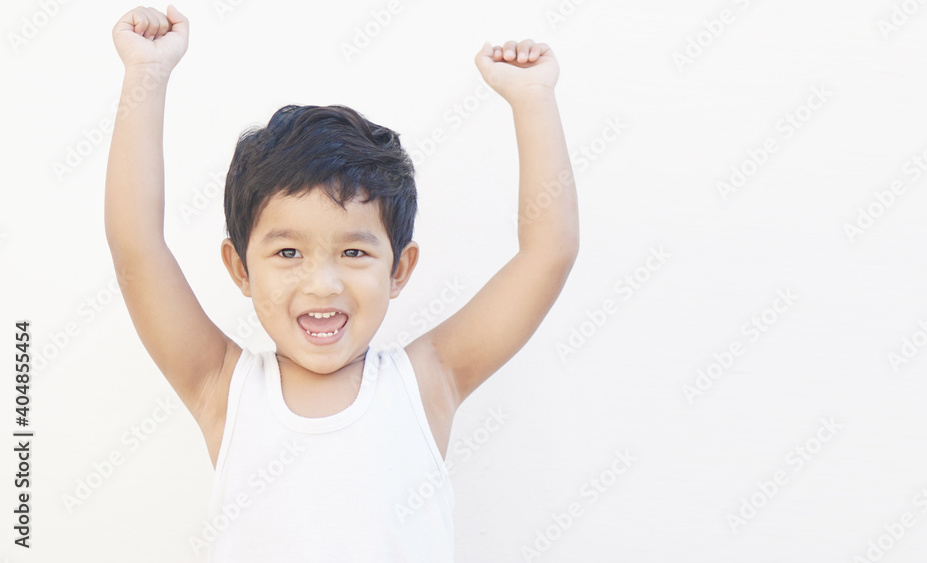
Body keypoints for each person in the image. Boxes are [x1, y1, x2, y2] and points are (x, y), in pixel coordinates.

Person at [105, 4, 578, 561]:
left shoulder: (427, 383)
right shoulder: (223, 389)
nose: (322, 283)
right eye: (287, 252)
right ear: (240, 268)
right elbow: (135, 244)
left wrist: (533, 99)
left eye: (354, 250)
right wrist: (146, 74)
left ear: (399, 269)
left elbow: (548, 254)